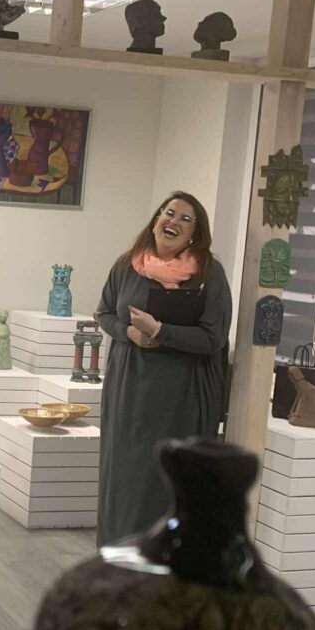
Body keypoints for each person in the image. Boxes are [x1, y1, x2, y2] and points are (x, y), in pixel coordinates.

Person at [94, 191, 232, 547]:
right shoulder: (127, 265)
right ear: (156, 219)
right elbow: (104, 313)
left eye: (186, 219)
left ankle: (167, 560)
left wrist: (160, 331)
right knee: (125, 475)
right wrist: (128, 333)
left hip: (181, 397)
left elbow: (214, 338)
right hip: (129, 391)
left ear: (195, 235)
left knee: (166, 478)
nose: (174, 222)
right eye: (169, 213)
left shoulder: (208, 274)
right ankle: (118, 554)